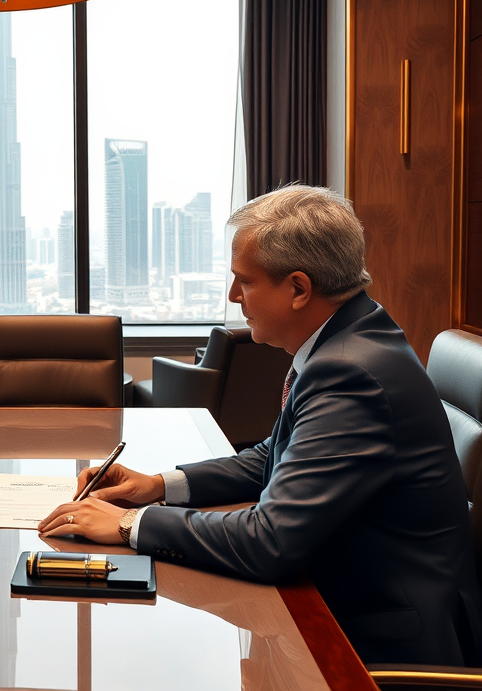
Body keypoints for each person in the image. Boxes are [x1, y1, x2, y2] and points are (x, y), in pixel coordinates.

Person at [39, 185, 482, 666]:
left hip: (379, 637)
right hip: (351, 596)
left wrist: (130, 524)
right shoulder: (354, 337)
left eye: (244, 281)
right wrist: (157, 486)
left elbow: (271, 541)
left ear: (298, 288)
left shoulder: (350, 374)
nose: (233, 296)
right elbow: (273, 456)